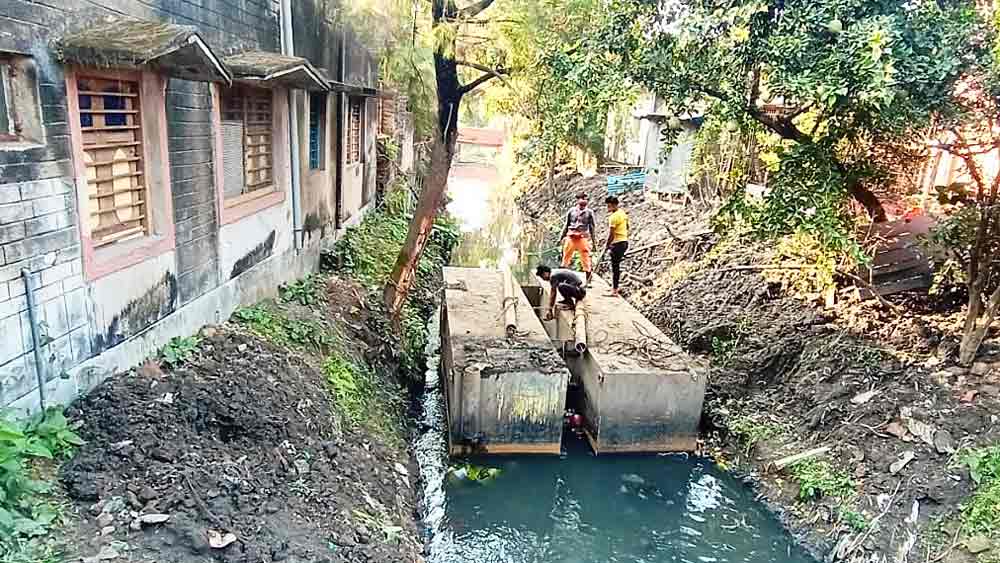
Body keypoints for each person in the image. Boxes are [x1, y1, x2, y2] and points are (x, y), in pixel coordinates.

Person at [560, 192, 596, 285]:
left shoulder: (589, 212)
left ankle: (588, 281)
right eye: (582, 198)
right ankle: (563, 279)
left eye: (585, 199)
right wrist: (561, 237)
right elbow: (566, 225)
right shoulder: (571, 211)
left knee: (586, 258)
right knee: (566, 257)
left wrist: (594, 242)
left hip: (582, 237)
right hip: (571, 237)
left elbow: (592, 228)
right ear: (577, 200)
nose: (583, 200)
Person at [604, 196, 629, 297]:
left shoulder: (613, 217)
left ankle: (614, 290)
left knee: (615, 267)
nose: (608, 208)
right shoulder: (622, 213)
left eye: (609, 206)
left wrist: (607, 244)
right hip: (624, 242)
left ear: (614, 205)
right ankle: (614, 287)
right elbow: (627, 226)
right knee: (616, 266)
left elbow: (611, 234)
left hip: (617, 243)